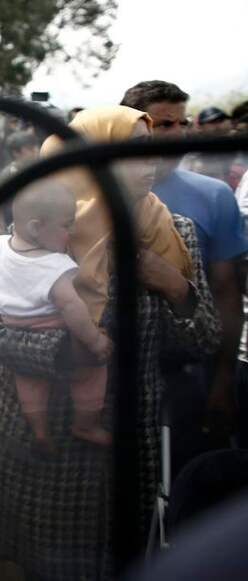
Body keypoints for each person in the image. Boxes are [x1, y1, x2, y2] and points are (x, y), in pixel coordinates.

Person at [0, 105, 220, 580]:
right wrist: (66, 352)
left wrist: (173, 286)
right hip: (45, 439)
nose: (150, 162)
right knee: (51, 567)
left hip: (127, 438)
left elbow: (203, 340)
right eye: (130, 151)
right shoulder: (50, 228)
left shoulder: (173, 235)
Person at [121, 80, 248, 476]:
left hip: (188, 373)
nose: (177, 135)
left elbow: (227, 293)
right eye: (162, 125)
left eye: (182, 124)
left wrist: (223, 380)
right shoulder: (90, 196)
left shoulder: (213, 196)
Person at [0, 182, 113, 451]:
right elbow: (72, 309)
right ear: (36, 227)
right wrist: (95, 341)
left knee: (28, 383)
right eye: (67, 225)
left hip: (13, 325)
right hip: (50, 325)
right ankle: (86, 425)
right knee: (90, 373)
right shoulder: (56, 267)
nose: (72, 231)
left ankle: (39, 431)